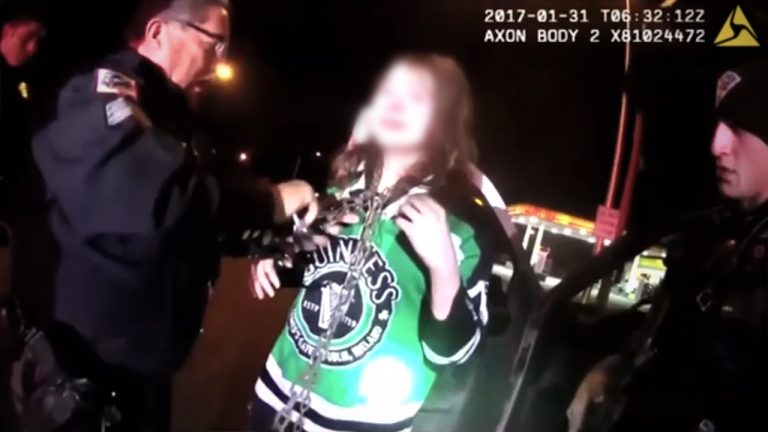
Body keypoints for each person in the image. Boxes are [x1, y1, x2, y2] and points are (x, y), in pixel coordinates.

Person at [19, 0, 320, 430]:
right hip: (79, 384)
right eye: (214, 45)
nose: (220, 65)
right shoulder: (95, 94)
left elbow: (194, 218)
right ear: (158, 32)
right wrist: (270, 200)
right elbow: (158, 197)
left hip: (137, 382)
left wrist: (263, 241)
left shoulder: (168, 115)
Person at [248, 54, 496, 432]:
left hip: (363, 423)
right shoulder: (341, 187)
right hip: (275, 394)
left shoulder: (461, 223)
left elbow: (452, 353)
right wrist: (274, 255)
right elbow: (314, 267)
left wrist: (444, 268)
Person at [567, 59, 768, 432]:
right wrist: (615, 368)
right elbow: (672, 338)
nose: (717, 145)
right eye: (719, 125)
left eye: (738, 127)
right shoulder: (715, 234)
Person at [0, 0, 46, 216]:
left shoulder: (23, 77)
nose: (33, 48)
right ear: (7, 31)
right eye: (28, 37)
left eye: (37, 40)